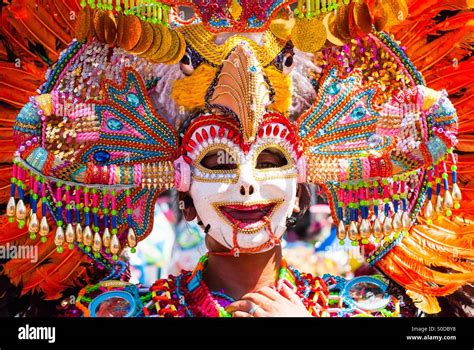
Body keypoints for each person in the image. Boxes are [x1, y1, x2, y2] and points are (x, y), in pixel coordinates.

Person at [1, 0, 473, 318]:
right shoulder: (110, 310)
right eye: (219, 163)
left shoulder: (376, 309)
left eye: (270, 160)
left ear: (302, 189)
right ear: (182, 191)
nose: (246, 185)